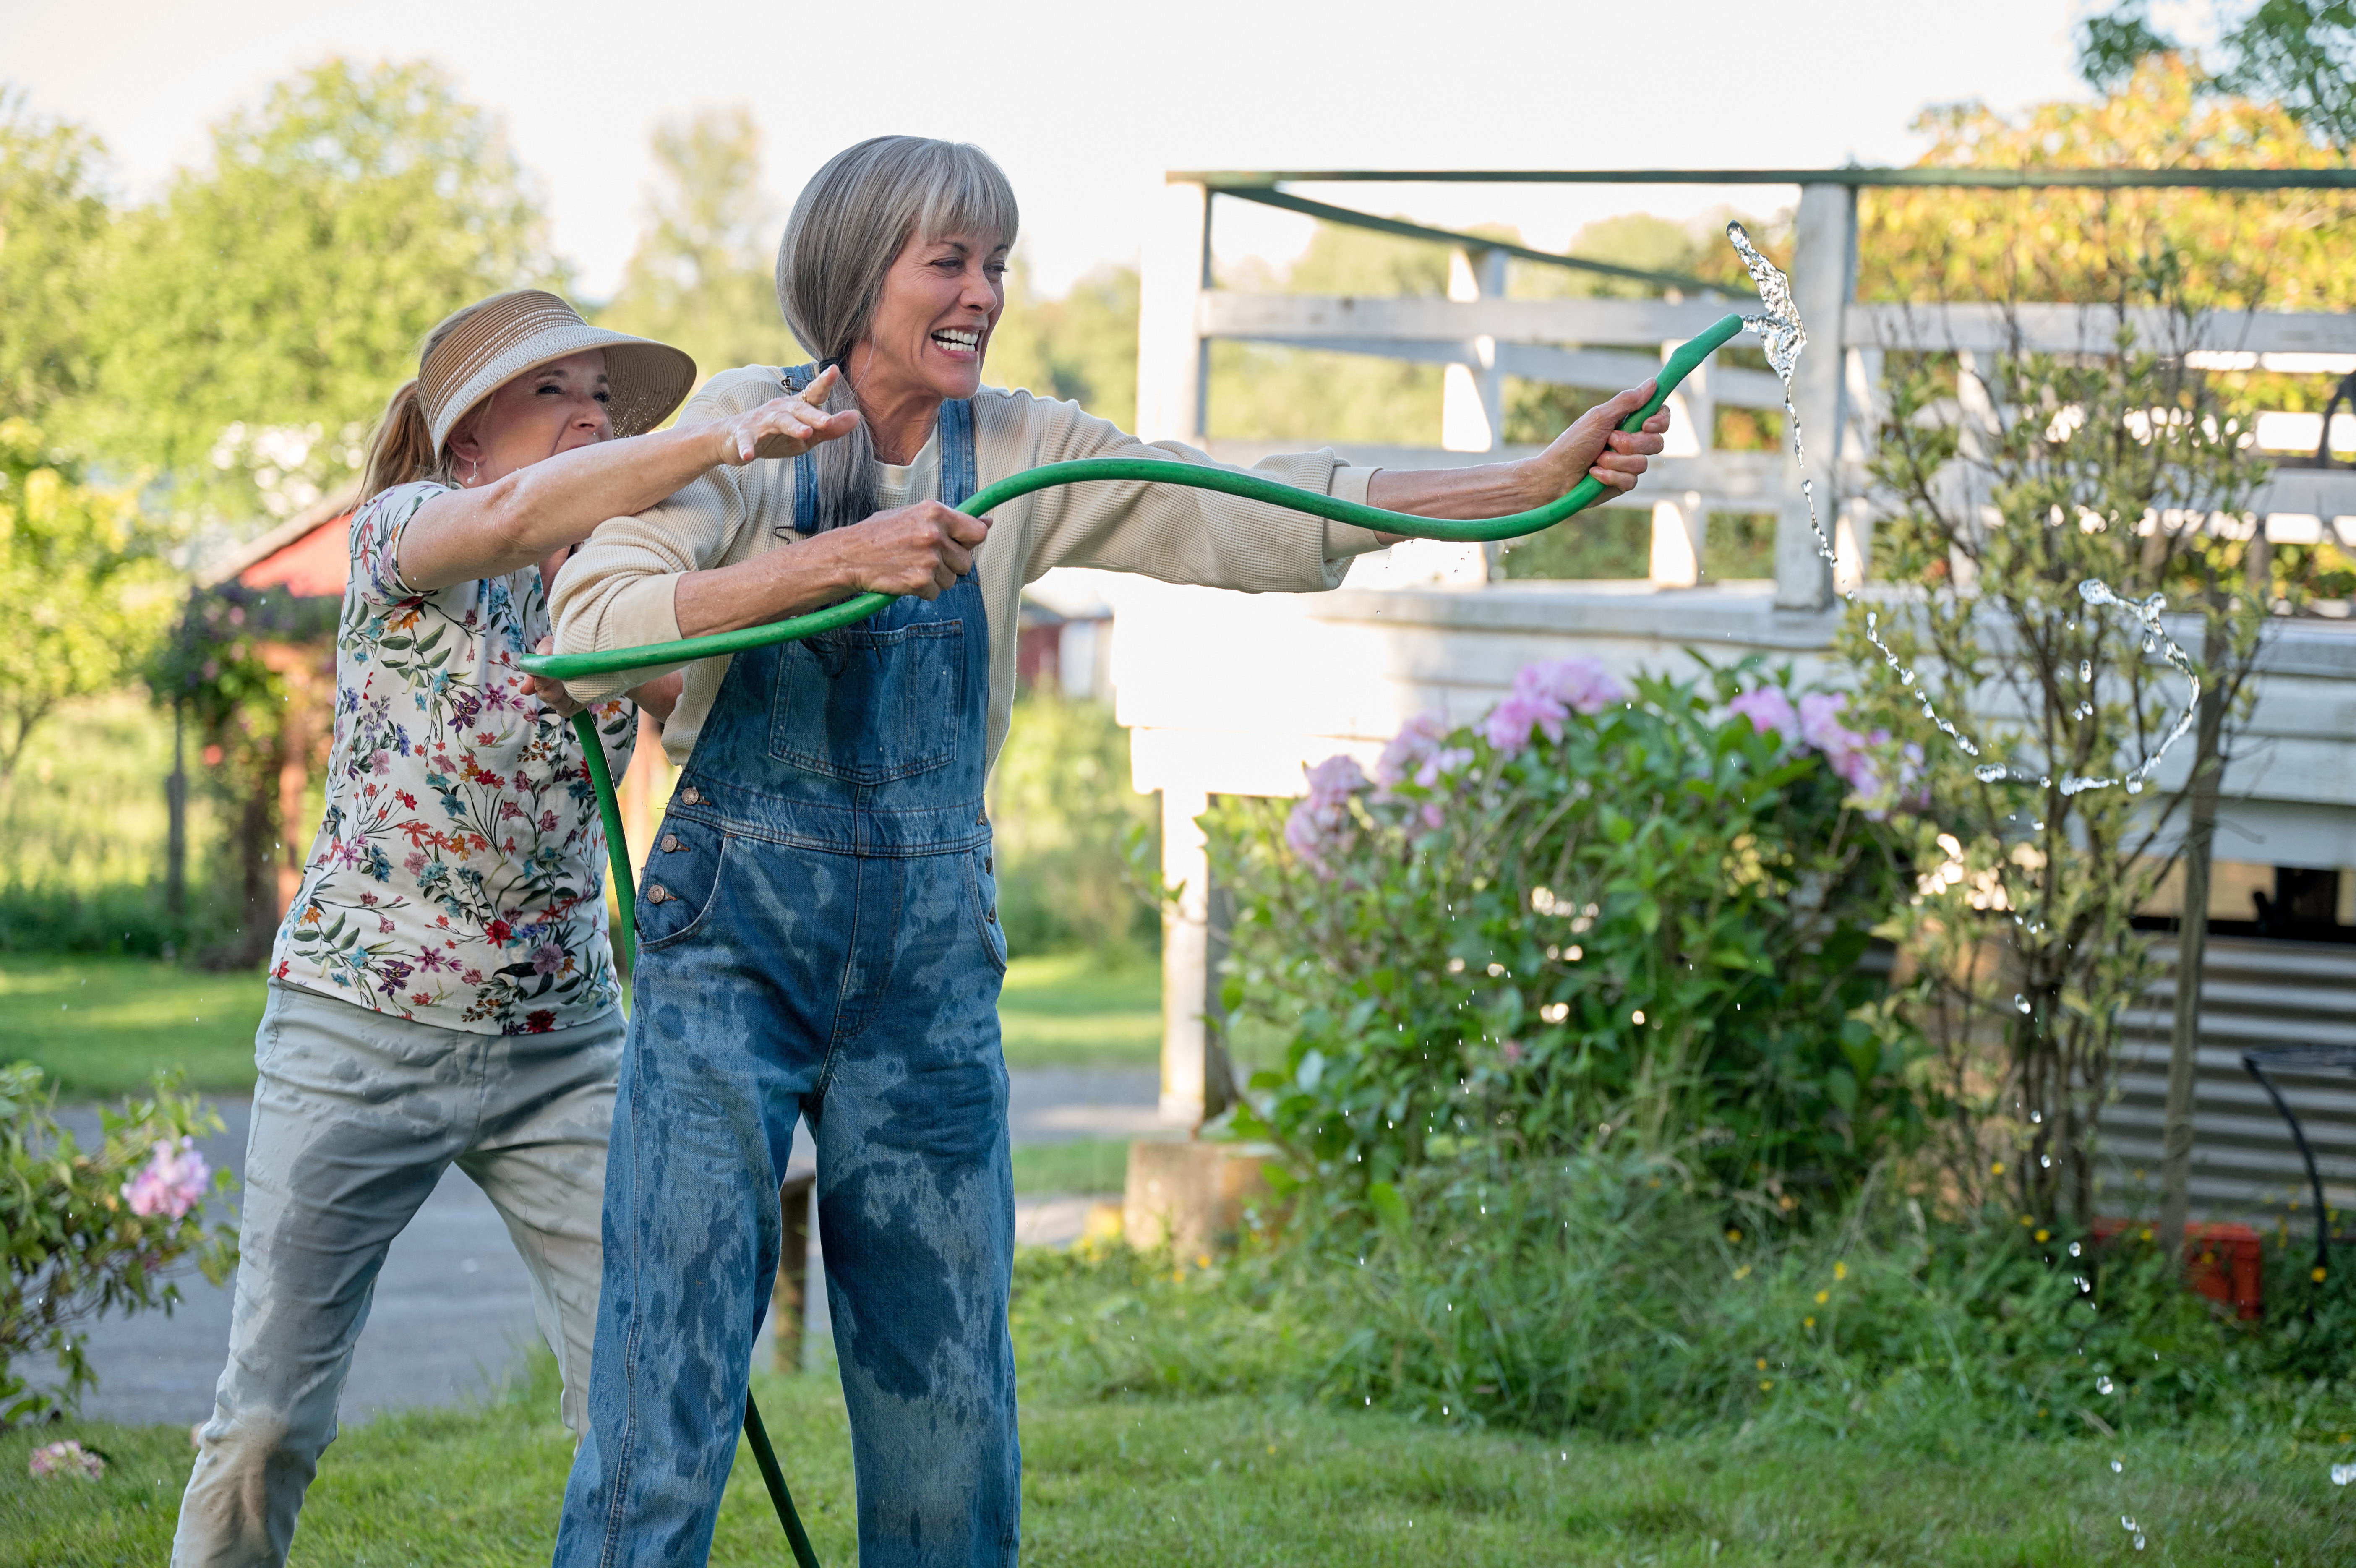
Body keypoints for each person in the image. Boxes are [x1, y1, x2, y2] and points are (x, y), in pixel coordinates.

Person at [547, 136, 1670, 1568]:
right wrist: (836, 562)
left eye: (996, 265)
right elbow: (589, 635)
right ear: (853, 276)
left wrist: (1526, 480)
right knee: (666, 1391)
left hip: (927, 973)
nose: (983, 295)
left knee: (950, 1415)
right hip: (727, 956)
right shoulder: (745, 431)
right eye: (948, 262)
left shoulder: (1019, 447)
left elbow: (1257, 497)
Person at [172, 288, 855, 1568]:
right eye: (557, 395)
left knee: (642, 1387)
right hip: (356, 1026)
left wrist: (831, 569)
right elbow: (503, 523)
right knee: (268, 1418)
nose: (592, 418)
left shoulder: (601, 586)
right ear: (468, 440)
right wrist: (722, 438)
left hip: (564, 1049)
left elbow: (701, 678)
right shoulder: (408, 531)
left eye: (602, 398)